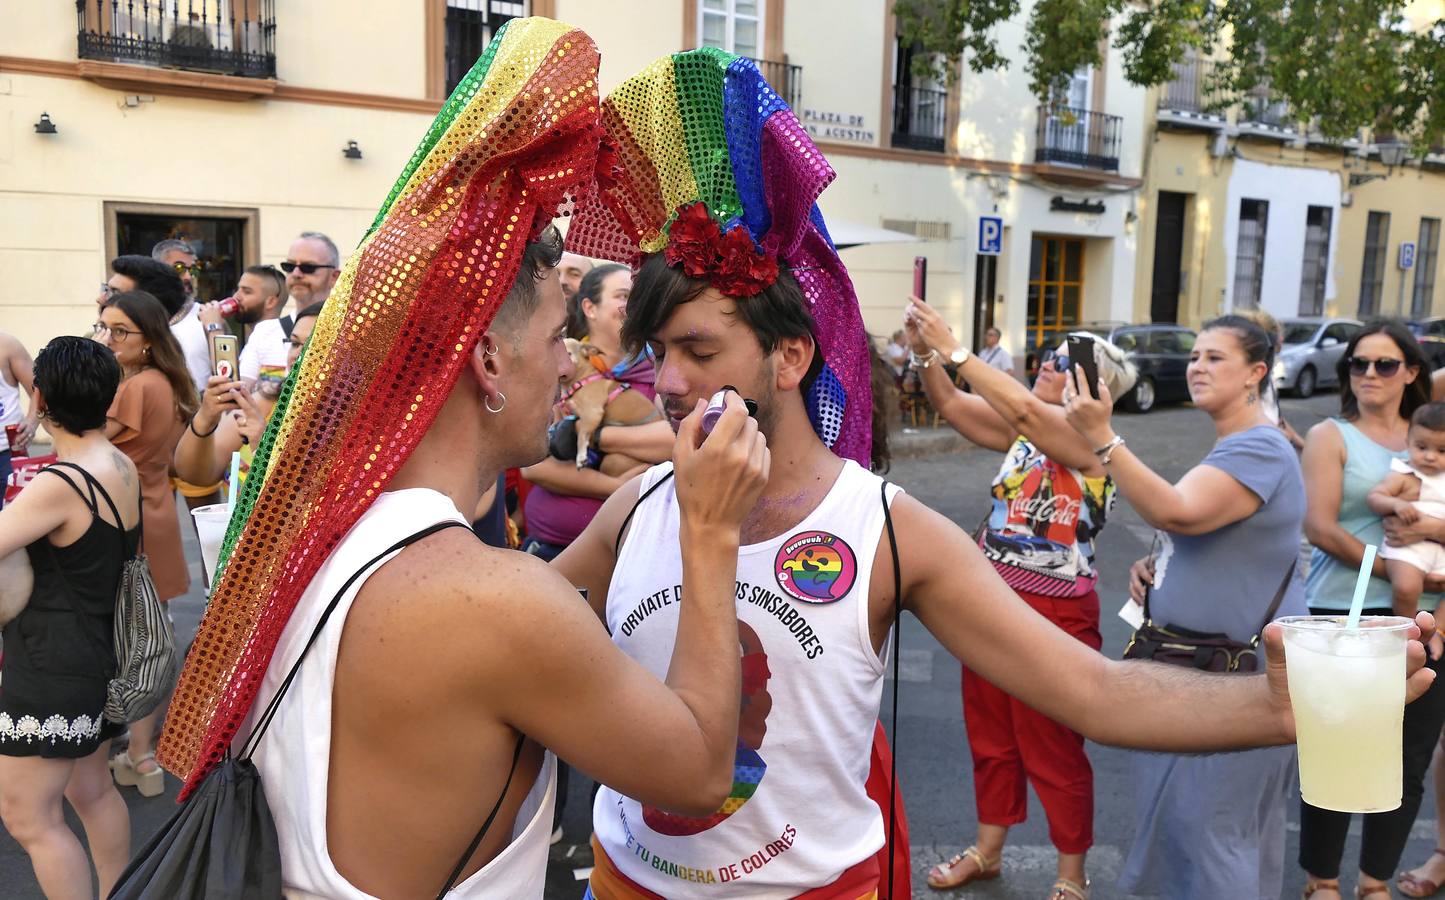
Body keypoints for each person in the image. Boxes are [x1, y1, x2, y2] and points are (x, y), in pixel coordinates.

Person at [554, 51, 1434, 900]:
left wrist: (1280, 709)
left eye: (699, 351)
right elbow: (516, 639)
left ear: (789, 356)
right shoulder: (635, 509)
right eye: (658, 352)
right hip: (627, 881)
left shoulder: (887, 531)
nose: (666, 383)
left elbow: (1093, 692)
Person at [156, 20, 772, 896]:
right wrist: (709, 533)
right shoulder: (491, 600)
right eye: (556, 334)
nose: (570, 364)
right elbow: (703, 771)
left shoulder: (316, 526)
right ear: (486, 358)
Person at [1063, 315, 1309, 899]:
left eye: (1214, 357)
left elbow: (1178, 511)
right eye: (1194, 355)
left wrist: (1103, 435)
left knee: (1209, 834)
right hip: (1200, 673)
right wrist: (1161, 568)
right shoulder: (1238, 444)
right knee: (1205, 833)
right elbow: (1199, 533)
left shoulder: (1261, 447)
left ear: (1256, 373)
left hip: (1231, 680)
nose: (1197, 366)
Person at [904, 298, 1136, 897]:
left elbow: (1032, 412)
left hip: (1058, 610)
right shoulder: (1021, 431)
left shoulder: (1096, 446)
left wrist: (956, 348)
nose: (1048, 365)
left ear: (1093, 387)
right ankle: (987, 849)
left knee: (1054, 745)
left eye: (1064, 363)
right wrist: (926, 352)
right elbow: (953, 404)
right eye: (1051, 356)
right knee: (991, 735)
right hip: (992, 599)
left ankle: (1071, 873)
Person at [1296, 319, 1445, 900]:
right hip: (1345, 611)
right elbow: (1320, 526)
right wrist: (1397, 569)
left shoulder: (1433, 430)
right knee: (1338, 749)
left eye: (1385, 364)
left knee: (1408, 758)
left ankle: (1374, 881)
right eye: (1358, 364)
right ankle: (1322, 880)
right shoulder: (1331, 435)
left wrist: (1430, 544)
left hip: (1428, 622)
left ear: (1411, 372)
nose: (1369, 375)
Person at [0, 336, 136, 899]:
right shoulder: (116, 463)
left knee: (30, 817)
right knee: (93, 791)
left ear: (40, 395)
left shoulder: (61, 483)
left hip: (50, 664)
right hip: (99, 652)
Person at [94, 290, 197, 799]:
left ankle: (138, 753)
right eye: (103, 328)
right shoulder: (167, 383)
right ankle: (143, 754)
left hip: (127, 516)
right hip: (155, 511)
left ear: (149, 340)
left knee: (134, 642)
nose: (106, 340)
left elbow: (88, 440)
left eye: (118, 331)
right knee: (150, 639)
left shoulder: (136, 388)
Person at [520, 262, 670, 560]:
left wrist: (591, 433)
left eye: (636, 297)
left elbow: (676, 441)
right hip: (551, 548)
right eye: (622, 296)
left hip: (632, 550)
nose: (632, 305)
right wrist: (615, 487)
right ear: (589, 307)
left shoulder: (660, 368)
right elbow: (535, 466)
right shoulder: (560, 366)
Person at [173, 302, 322, 489]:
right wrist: (206, 417)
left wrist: (263, 444)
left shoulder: (357, 424)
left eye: (314, 345)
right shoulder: (267, 400)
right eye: (294, 343)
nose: (297, 355)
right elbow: (195, 474)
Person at [1236, 308, 1305, 451]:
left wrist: (1304, 445)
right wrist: (1279, 436)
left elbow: (1277, 418)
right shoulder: (1249, 380)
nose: (1282, 339)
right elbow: (1247, 418)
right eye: (1279, 335)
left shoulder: (1268, 378)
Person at [151, 238, 212, 396]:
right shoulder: (139, 316)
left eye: (193, 270)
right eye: (179, 268)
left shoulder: (208, 317)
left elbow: (229, 374)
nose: (187, 277)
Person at [0, 330, 39, 509]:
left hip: (6, 453)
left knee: (13, 520)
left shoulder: (6, 344)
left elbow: (39, 388)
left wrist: (31, 421)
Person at [280, 231, 342, 310]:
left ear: (334, 277)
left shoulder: (353, 321)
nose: (296, 274)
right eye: (290, 266)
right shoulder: (270, 323)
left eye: (308, 267)